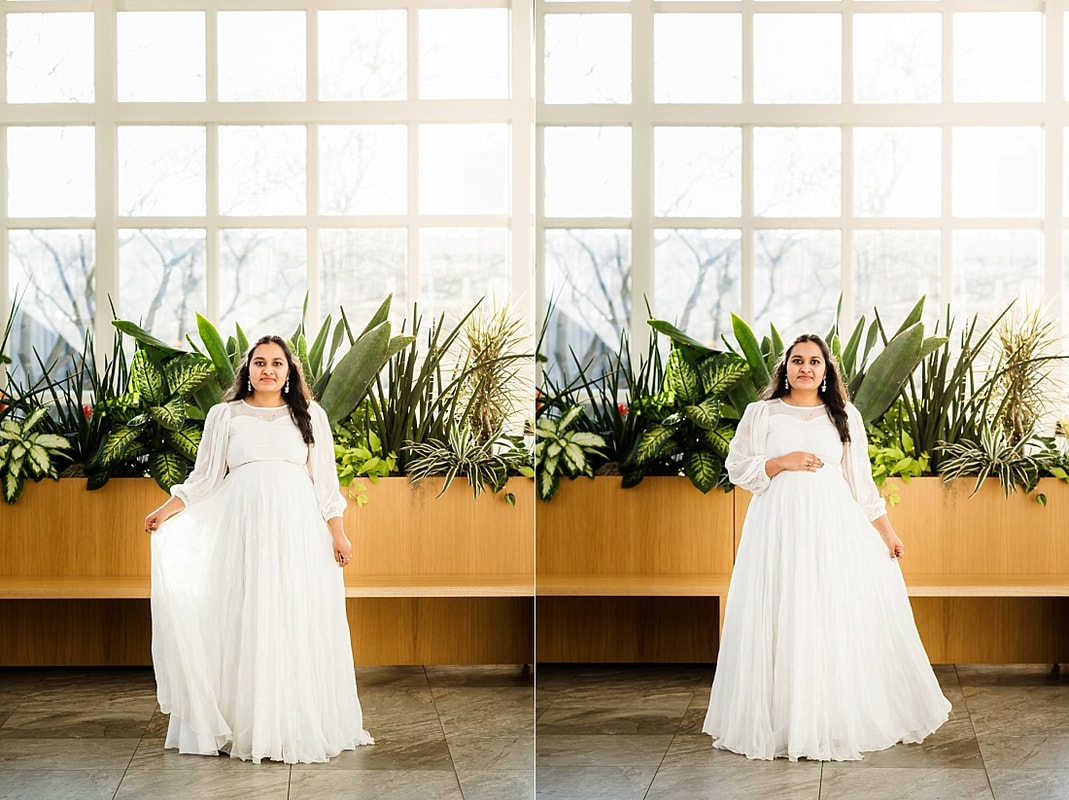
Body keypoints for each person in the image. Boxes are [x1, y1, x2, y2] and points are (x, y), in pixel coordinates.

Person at [703, 334, 950, 761]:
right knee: (780, 610)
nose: (805, 367)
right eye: (797, 360)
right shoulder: (761, 413)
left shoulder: (845, 416)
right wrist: (782, 462)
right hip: (776, 529)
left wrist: (887, 533)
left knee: (825, 612)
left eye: (814, 361)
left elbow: (861, 483)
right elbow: (737, 467)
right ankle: (779, 719)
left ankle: (827, 718)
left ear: (825, 370)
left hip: (833, 529)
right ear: (785, 368)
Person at [144, 335, 373, 764]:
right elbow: (205, 478)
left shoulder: (310, 416)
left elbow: (326, 484)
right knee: (244, 616)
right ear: (247, 370)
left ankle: (292, 722)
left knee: (291, 616)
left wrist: (337, 533)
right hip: (241, 529)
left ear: (289, 374)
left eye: (277, 364)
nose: (268, 370)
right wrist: (167, 509)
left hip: (297, 531)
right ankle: (243, 721)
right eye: (260, 362)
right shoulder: (224, 415)